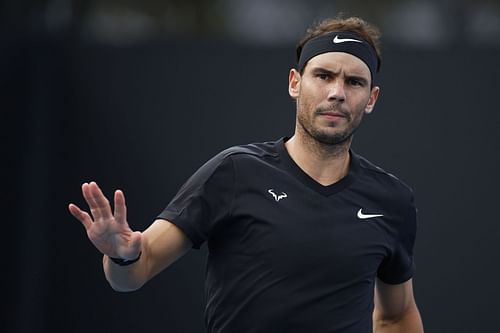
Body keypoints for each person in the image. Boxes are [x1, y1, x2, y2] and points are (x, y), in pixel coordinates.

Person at [69, 16, 424, 333]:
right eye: (324, 75)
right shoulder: (235, 172)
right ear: (295, 83)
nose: (337, 93)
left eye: (354, 82)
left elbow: (396, 315)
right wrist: (121, 255)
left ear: (372, 98)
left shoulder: (391, 201)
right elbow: (135, 272)